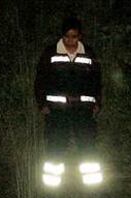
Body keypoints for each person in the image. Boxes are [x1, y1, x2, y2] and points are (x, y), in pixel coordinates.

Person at [35, 17, 102, 185]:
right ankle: (51, 187)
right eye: (67, 37)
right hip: (57, 109)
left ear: (80, 36)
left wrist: (97, 103)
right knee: (56, 146)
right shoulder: (51, 53)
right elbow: (41, 79)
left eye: (74, 37)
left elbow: (96, 80)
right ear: (62, 36)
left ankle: (91, 186)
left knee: (87, 146)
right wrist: (42, 103)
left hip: (83, 109)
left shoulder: (88, 53)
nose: (70, 41)